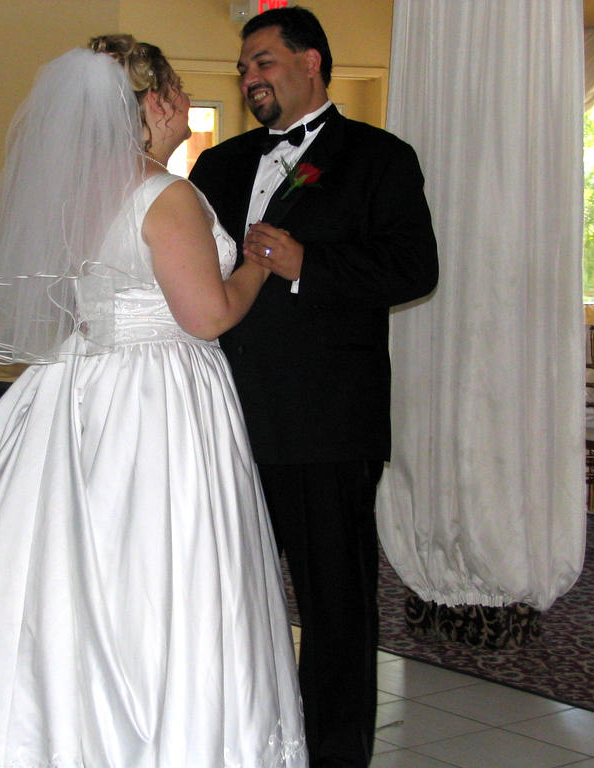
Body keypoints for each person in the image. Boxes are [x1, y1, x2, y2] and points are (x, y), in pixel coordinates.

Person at [0, 35, 307, 767]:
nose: (186, 101)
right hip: (162, 398)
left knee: (83, 568)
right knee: (164, 566)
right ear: (154, 101)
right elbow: (207, 316)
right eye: (176, 88)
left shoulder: (73, 191)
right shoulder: (165, 195)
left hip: (85, 383)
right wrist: (256, 267)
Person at [189, 8, 438, 767]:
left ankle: (334, 755)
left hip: (326, 421)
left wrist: (310, 267)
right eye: (244, 68)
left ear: (311, 63)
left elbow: (415, 268)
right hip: (222, 414)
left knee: (335, 604)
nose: (250, 78)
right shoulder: (217, 166)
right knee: (226, 595)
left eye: (263, 62)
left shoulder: (379, 158)